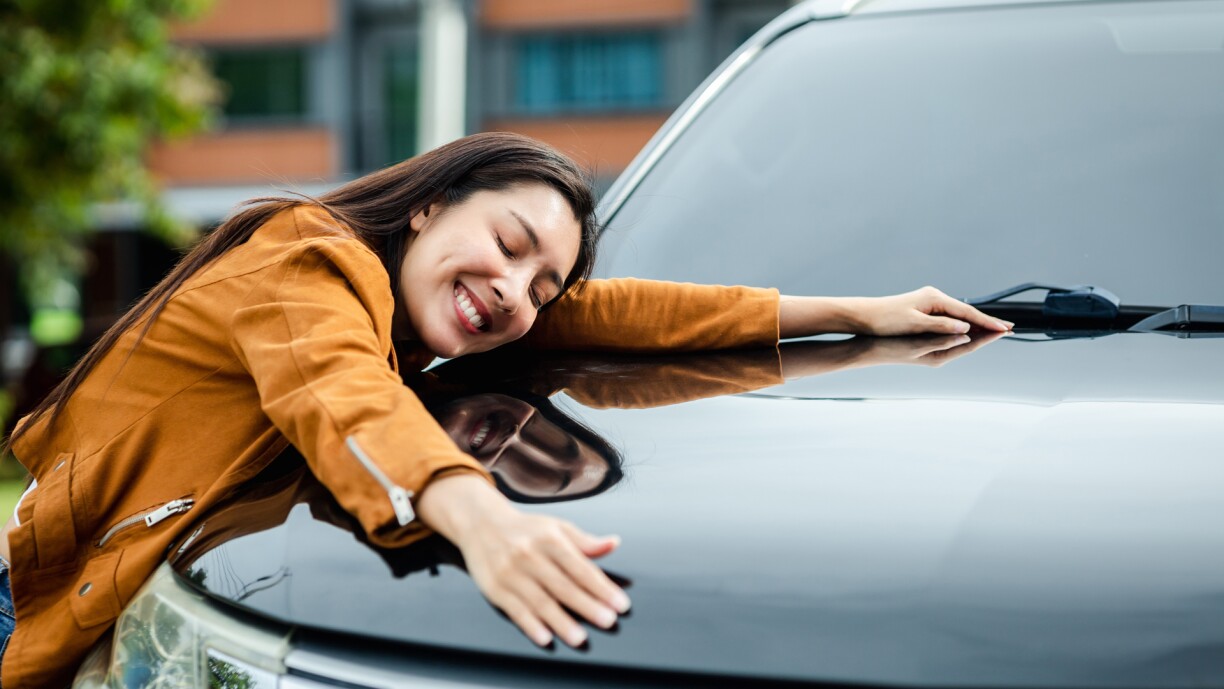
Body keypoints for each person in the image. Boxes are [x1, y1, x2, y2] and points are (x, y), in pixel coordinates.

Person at [0, 132, 1009, 687]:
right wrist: (484, 519)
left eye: (542, 283)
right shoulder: (305, 257)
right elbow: (334, 389)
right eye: (511, 241)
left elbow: (620, 311)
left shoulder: (428, 311)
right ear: (432, 203)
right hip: (37, 600)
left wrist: (855, 311)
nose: (517, 293)